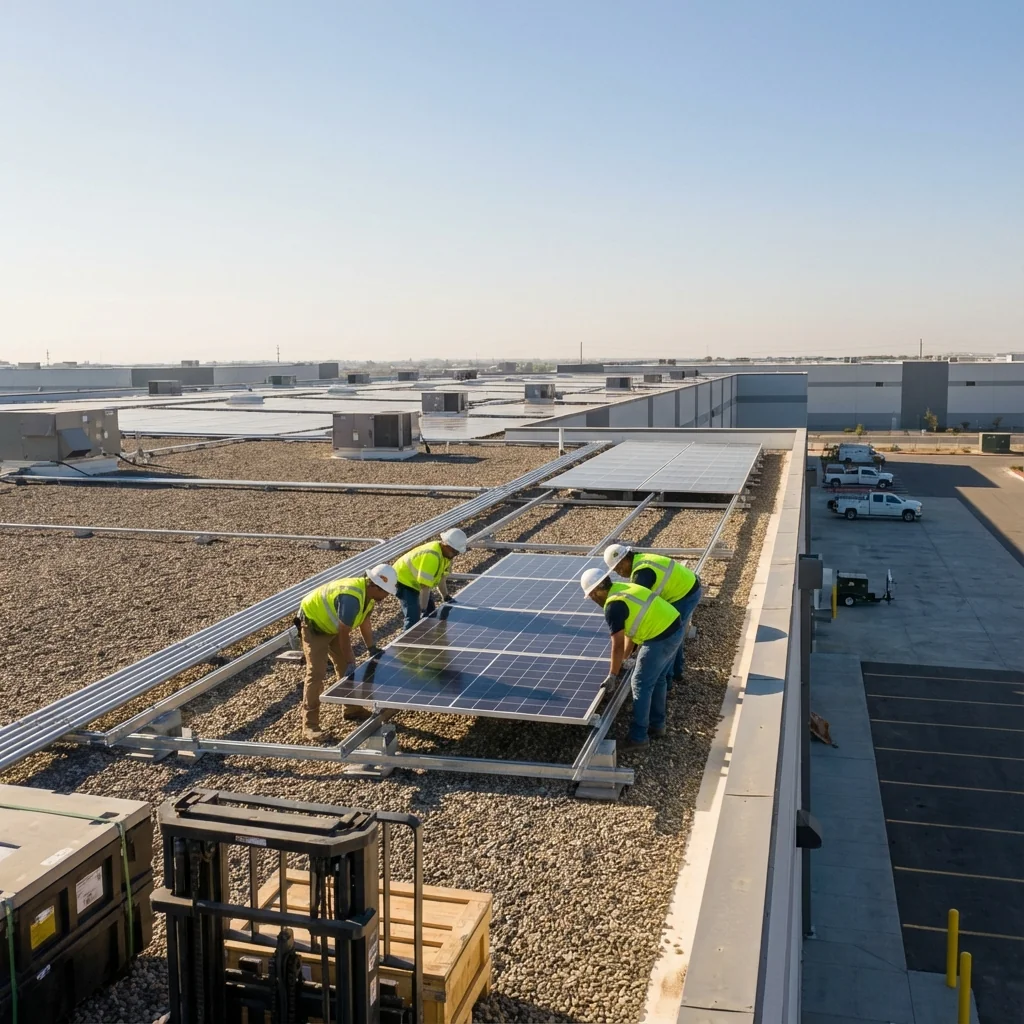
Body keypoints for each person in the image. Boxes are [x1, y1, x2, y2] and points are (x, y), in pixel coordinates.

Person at [580, 567, 682, 751]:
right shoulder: (622, 588)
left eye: (592, 596)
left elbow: (617, 644)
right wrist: (625, 659)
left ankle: (638, 738)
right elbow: (630, 631)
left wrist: (613, 675)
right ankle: (658, 725)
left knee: (640, 683)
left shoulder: (613, 606)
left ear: (595, 592)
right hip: (674, 626)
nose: (593, 600)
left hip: (660, 637)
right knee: (657, 678)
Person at [296, 563, 398, 741]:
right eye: (386, 592)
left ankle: (352, 709)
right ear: (375, 586)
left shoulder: (368, 596)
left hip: (333, 625)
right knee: (317, 673)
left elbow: (365, 621)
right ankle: (310, 725)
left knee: (344, 668)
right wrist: (351, 661)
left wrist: (371, 648)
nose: (387, 596)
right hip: (314, 626)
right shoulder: (351, 598)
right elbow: (344, 633)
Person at [603, 544, 701, 685]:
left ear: (624, 561)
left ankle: (667, 677)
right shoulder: (640, 560)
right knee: (676, 634)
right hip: (688, 585)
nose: (619, 573)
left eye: (618, 568)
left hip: (683, 596)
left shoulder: (641, 576)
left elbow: (638, 617)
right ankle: (676, 672)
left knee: (671, 634)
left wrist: (624, 657)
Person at [393, 529, 468, 629]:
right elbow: (424, 587)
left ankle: (425, 634)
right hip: (403, 580)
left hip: (415, 581)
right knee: (414, 617)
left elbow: (441, 579)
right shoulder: (432, 556)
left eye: (457, 553)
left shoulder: (446, 557)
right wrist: (422, 610)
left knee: (431, 612)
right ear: (445, 545)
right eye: (454, 552)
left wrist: (446, 597)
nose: (455, 555)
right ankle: (406, 637)